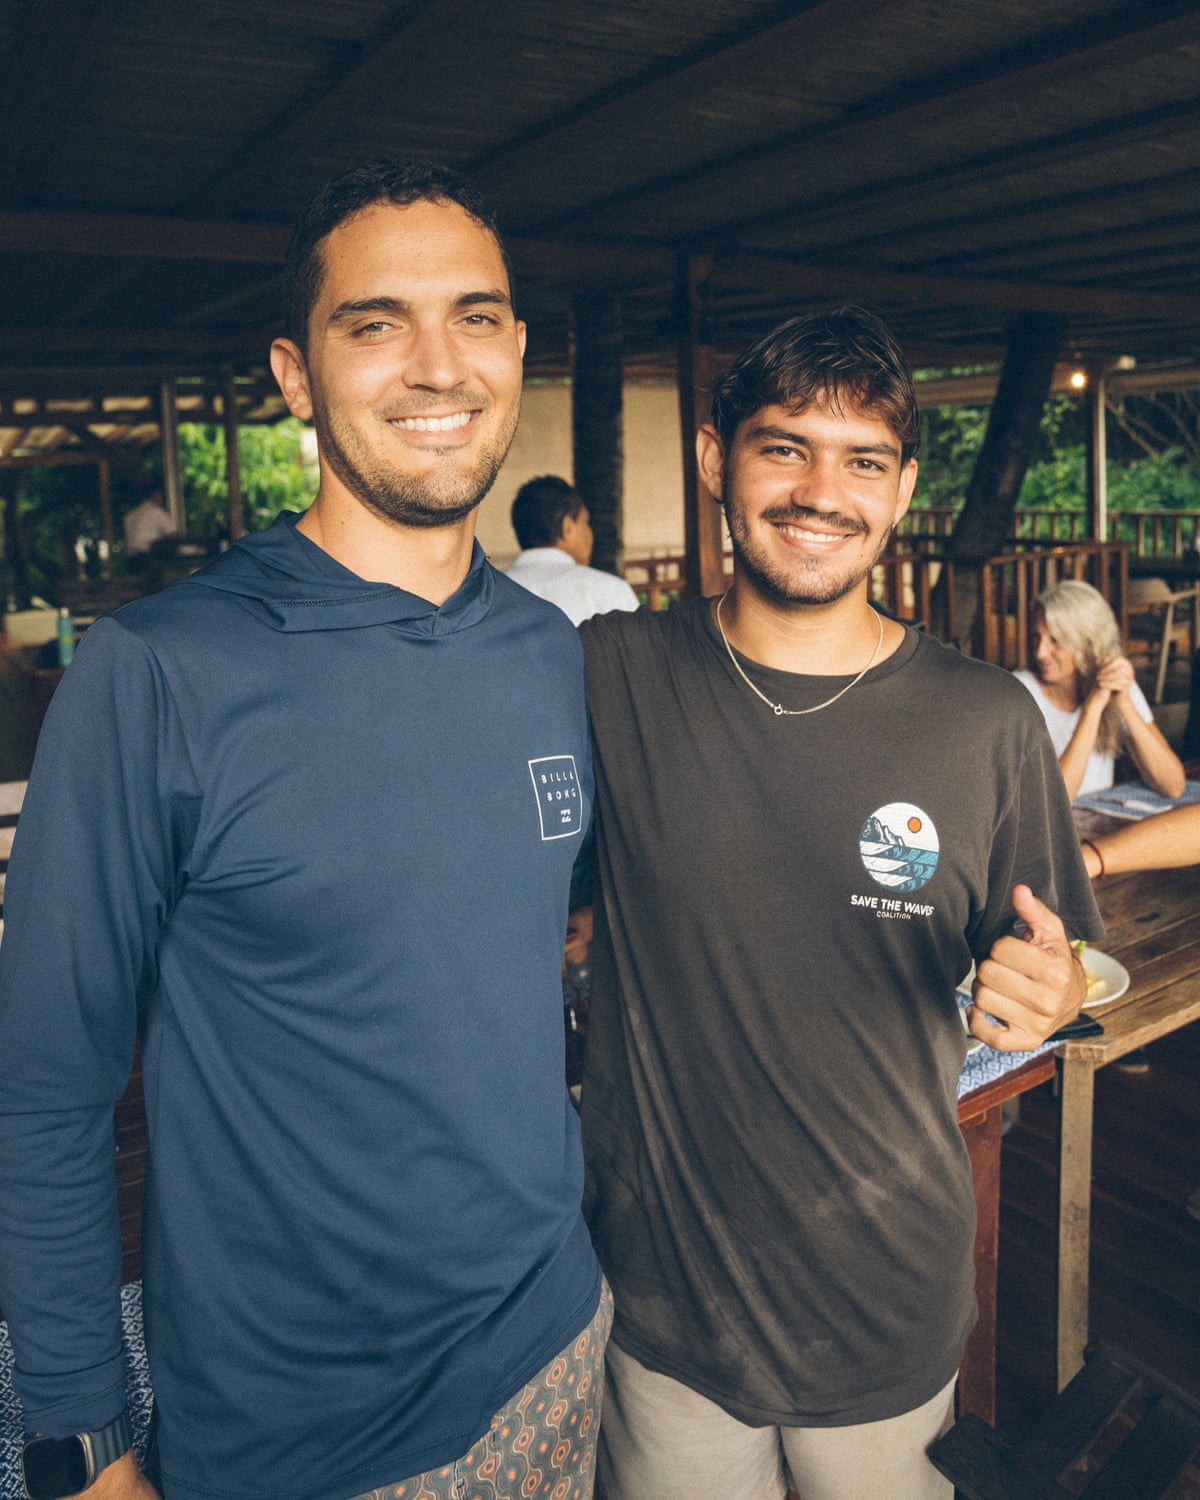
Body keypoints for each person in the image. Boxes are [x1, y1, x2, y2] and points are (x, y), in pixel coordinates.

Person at [0, 160, 607, 1500]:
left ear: (516, 347)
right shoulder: (162, 671)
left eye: (477, 316)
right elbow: (44, 1087)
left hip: (564, 1350)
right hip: (303, 1442)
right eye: (376, 322)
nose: (438, 366)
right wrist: (82, 1447)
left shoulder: (549, 651)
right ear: (294, 375)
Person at [573, 306, 1100, 1500]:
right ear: (716, 460)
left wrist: (1050, 994)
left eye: (862, 460)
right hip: (665, 1308)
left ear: (904, 488)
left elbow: (1050, 967)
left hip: (887, 1305)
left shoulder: (986, 721)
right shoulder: (614, 676)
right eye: (783, 447)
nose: (822, 490)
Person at [1014, 579, 1185, 804]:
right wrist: (1092, 708)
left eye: (1055, 641)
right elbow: (1054, 808)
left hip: (1097, 821)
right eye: (1036, 637)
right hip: (1050, 832)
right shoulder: (1019, 693)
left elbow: (1172, 785)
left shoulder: (1112, 681)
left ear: (1088, 642)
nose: (1040, 653)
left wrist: (1124, 703)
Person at [505, 475, 640, 625]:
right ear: (567, 527)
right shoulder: (608, 590)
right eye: (585, 522)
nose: (590, 533)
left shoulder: (489, 593)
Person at [121, 491, 178, 571]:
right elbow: (173, 535)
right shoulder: (156, 512)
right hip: (150, 559)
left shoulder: (131, 515)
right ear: (156, 496)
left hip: (131, 559)